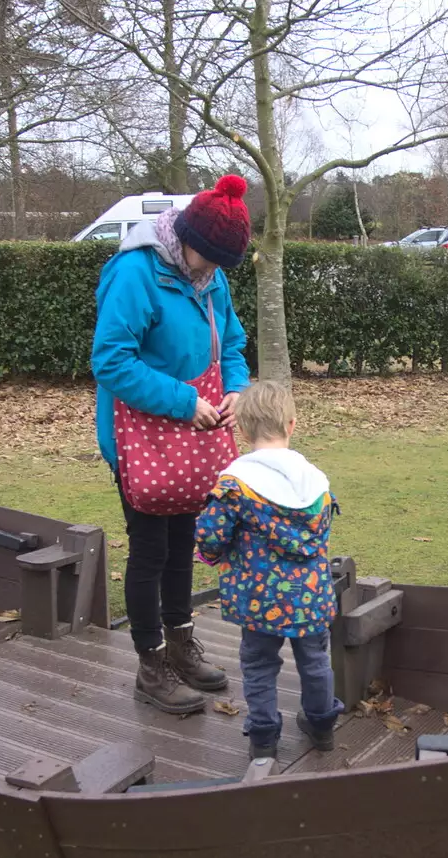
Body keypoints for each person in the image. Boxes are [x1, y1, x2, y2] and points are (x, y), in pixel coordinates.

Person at [92, 175, 252, 714]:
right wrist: (184, 403)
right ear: (182, 237)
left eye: (218, 265)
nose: (210, 272)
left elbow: (230, 342)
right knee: (150, 551)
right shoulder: (136, 273)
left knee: (184, 542)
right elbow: (111, 360)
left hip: (197, 435)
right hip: (140, 436)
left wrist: (235, 389)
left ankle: (182, 647)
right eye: (205, 259)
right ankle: (150, 664)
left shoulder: (211, 278)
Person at [194, 380, 345, 759]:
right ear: (292, 425)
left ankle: (263, 737)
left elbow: (210, 536)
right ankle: (321, 723)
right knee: (315, 661)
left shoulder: (236, 484)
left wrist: (214, 554)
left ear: (241, 430)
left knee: (259, 663)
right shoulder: (316, 484)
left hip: (259, 599)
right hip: (311, 597)